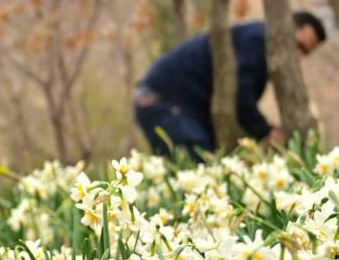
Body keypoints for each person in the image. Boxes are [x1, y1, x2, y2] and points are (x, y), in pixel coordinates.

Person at [132, 12, 327, 156]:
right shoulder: (258, 40)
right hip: (163, 102)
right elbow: (241, 95)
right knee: (199, 165)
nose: (298, 56)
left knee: (200, 162)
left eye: (305, 53)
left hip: (173, 105)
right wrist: (266, 131)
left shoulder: (257, 40)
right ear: (286, 29)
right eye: (299, 45)